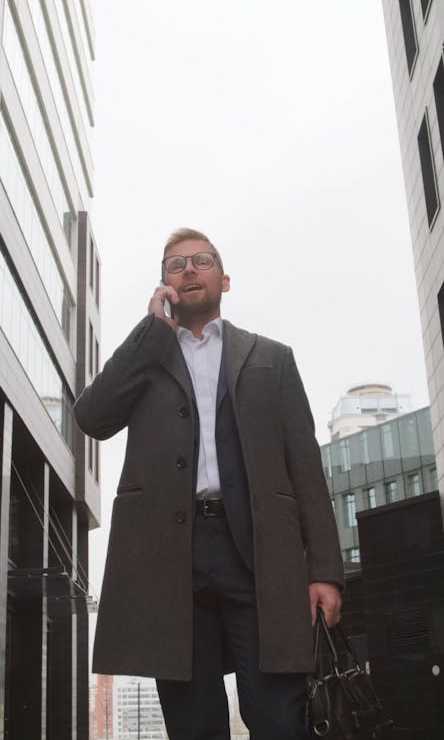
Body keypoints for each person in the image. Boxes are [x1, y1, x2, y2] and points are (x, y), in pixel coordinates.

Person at [74, 228, 343, 740]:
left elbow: (306, 469)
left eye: (201, 260)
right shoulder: (147, 359)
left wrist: (325, 570)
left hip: (260, 559)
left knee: (281, 719)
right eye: (175, 265)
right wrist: (149, 331)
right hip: (171, 561)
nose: (189, 270)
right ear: (163, 285)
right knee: (193, 724)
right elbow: (92, 416)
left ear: (224, 277)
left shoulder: (272, 359)